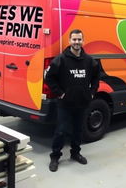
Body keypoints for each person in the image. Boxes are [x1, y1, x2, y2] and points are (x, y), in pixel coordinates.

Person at [45, 29, 100, 172]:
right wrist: (60, 93)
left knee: (78, 130)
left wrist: (92, 92)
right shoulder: (61, 59)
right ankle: (55, 157)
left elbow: (96, 77)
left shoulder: (89, 61)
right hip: (65, 103)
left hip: (82, 102)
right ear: (69, 41)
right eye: (74, 40)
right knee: (61, 131)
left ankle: (75, 153)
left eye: (79, 39)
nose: (77, 42)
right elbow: (49, 77)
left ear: (83, 41)